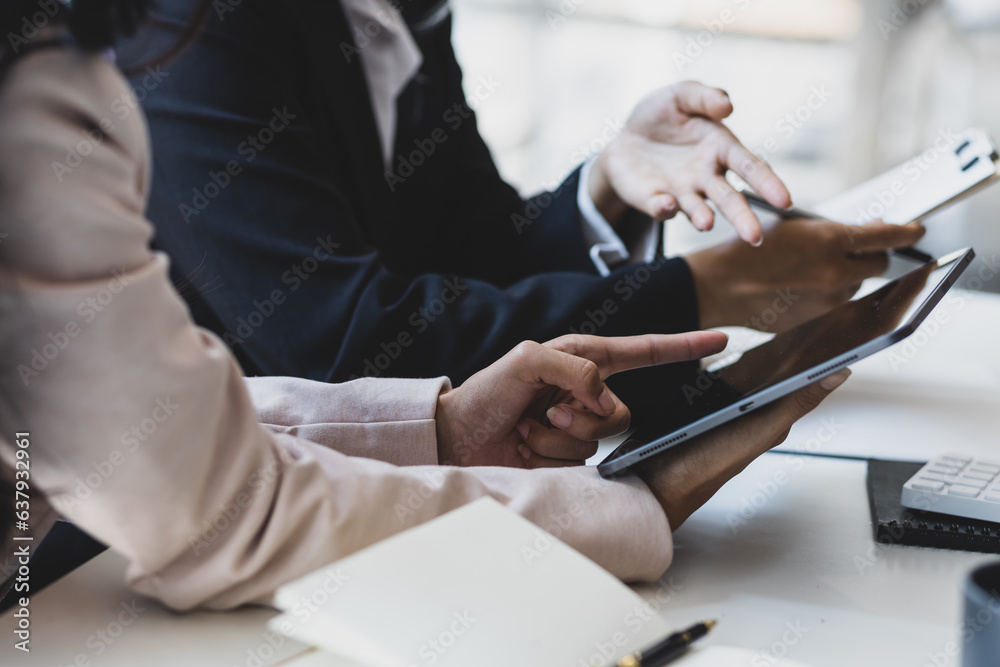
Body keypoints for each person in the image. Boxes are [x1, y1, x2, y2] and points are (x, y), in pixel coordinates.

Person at [0, 0, 847, 610]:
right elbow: (264, 446)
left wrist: (434, 428)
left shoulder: (404, 17)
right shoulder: (144, 52)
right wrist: (638, 500)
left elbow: (464, 247)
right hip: (79, 570)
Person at [114, 0, 924, 415]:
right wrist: (704, 291)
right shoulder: (191, 28)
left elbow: (466, 254)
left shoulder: (402, 13)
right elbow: (342, 341)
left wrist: (604, 186)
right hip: (140, 551)